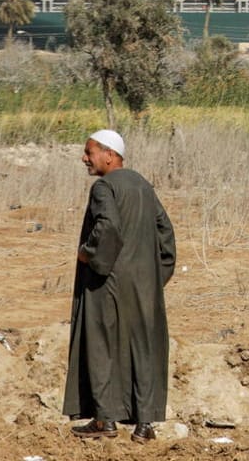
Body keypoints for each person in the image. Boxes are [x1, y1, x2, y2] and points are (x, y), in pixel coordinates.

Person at [64, 129, 176, 442]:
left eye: (89, 152)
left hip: (108, 282)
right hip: (142, 285)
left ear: (109, 155)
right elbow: (165, 233)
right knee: (143, 349)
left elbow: (108, 227)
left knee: (101, 347)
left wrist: (88, 255)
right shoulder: (142, 184)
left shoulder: (104, 187)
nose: (84, 158)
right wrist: (156, 277)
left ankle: (105, 422)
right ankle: (144, 426)